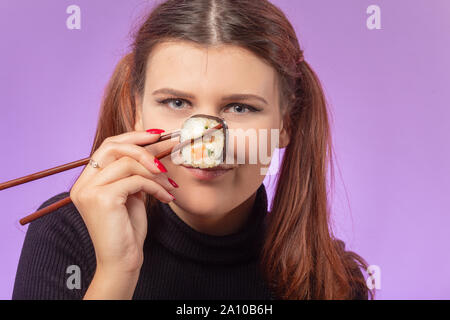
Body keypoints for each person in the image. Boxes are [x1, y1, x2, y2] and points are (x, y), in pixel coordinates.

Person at [12, 0, 374, 300]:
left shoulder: (336, 282)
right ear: (137, 111)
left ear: (286, 125)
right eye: (176, 102)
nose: (205, 142)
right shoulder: (64, 236)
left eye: (240, 108)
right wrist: (117, 271)